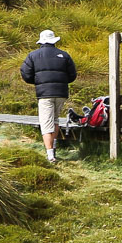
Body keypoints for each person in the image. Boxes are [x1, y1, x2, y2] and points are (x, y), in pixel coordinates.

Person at [20, 28, 78, 163]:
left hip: (44, 93)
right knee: (56, 120)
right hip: (61, 93)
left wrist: (38, 82)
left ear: (41, 41)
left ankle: (50, 155)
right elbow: (72, 75)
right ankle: (54, 145)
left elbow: (25, 73)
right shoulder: (64, 55)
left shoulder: (33, 55)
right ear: (54, 41)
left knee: (46, 123)